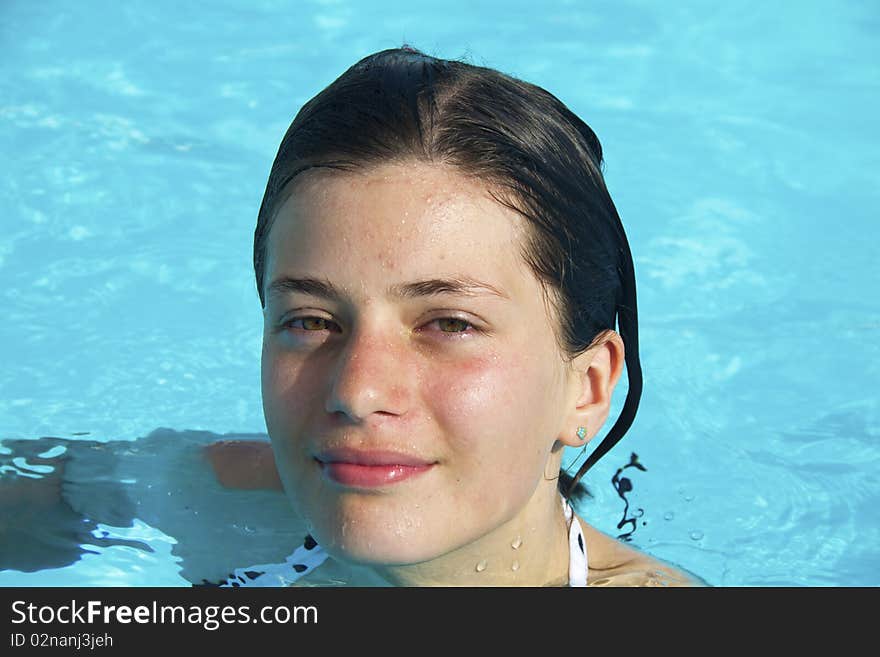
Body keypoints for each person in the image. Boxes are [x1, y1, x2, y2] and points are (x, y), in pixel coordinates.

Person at [211, 45, 704, 587]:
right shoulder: (204, 498)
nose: (357, 393)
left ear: (585, 388)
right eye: (311, 321)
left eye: (450, 324)